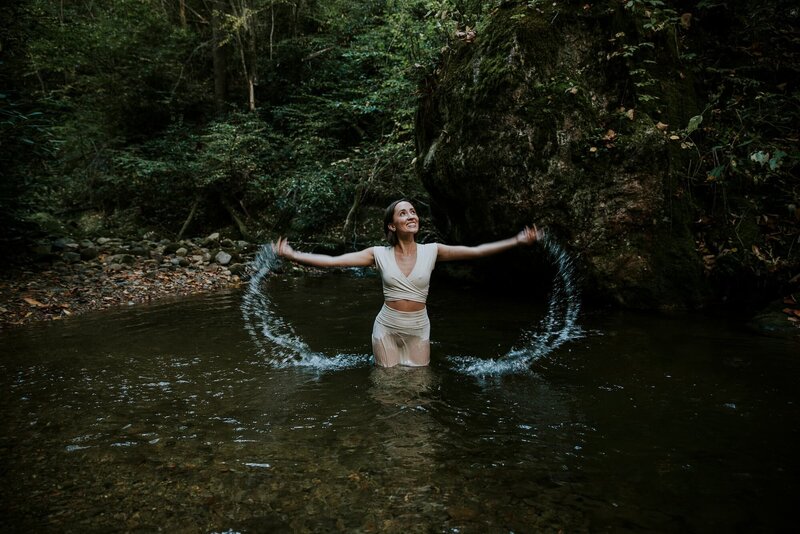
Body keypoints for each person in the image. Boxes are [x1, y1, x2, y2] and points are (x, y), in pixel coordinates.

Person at [272, 199, 543, 367]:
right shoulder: (377, 254)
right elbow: (334, 261)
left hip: (419, 329)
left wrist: (517, 241)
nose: (412, 216)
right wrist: (293, 254)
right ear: (392, 225)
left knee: (418, 390)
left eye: (413, 212)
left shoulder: (433, 250)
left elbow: (477, 251)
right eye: (403, 213)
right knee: (387, 389)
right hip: (387, 328)